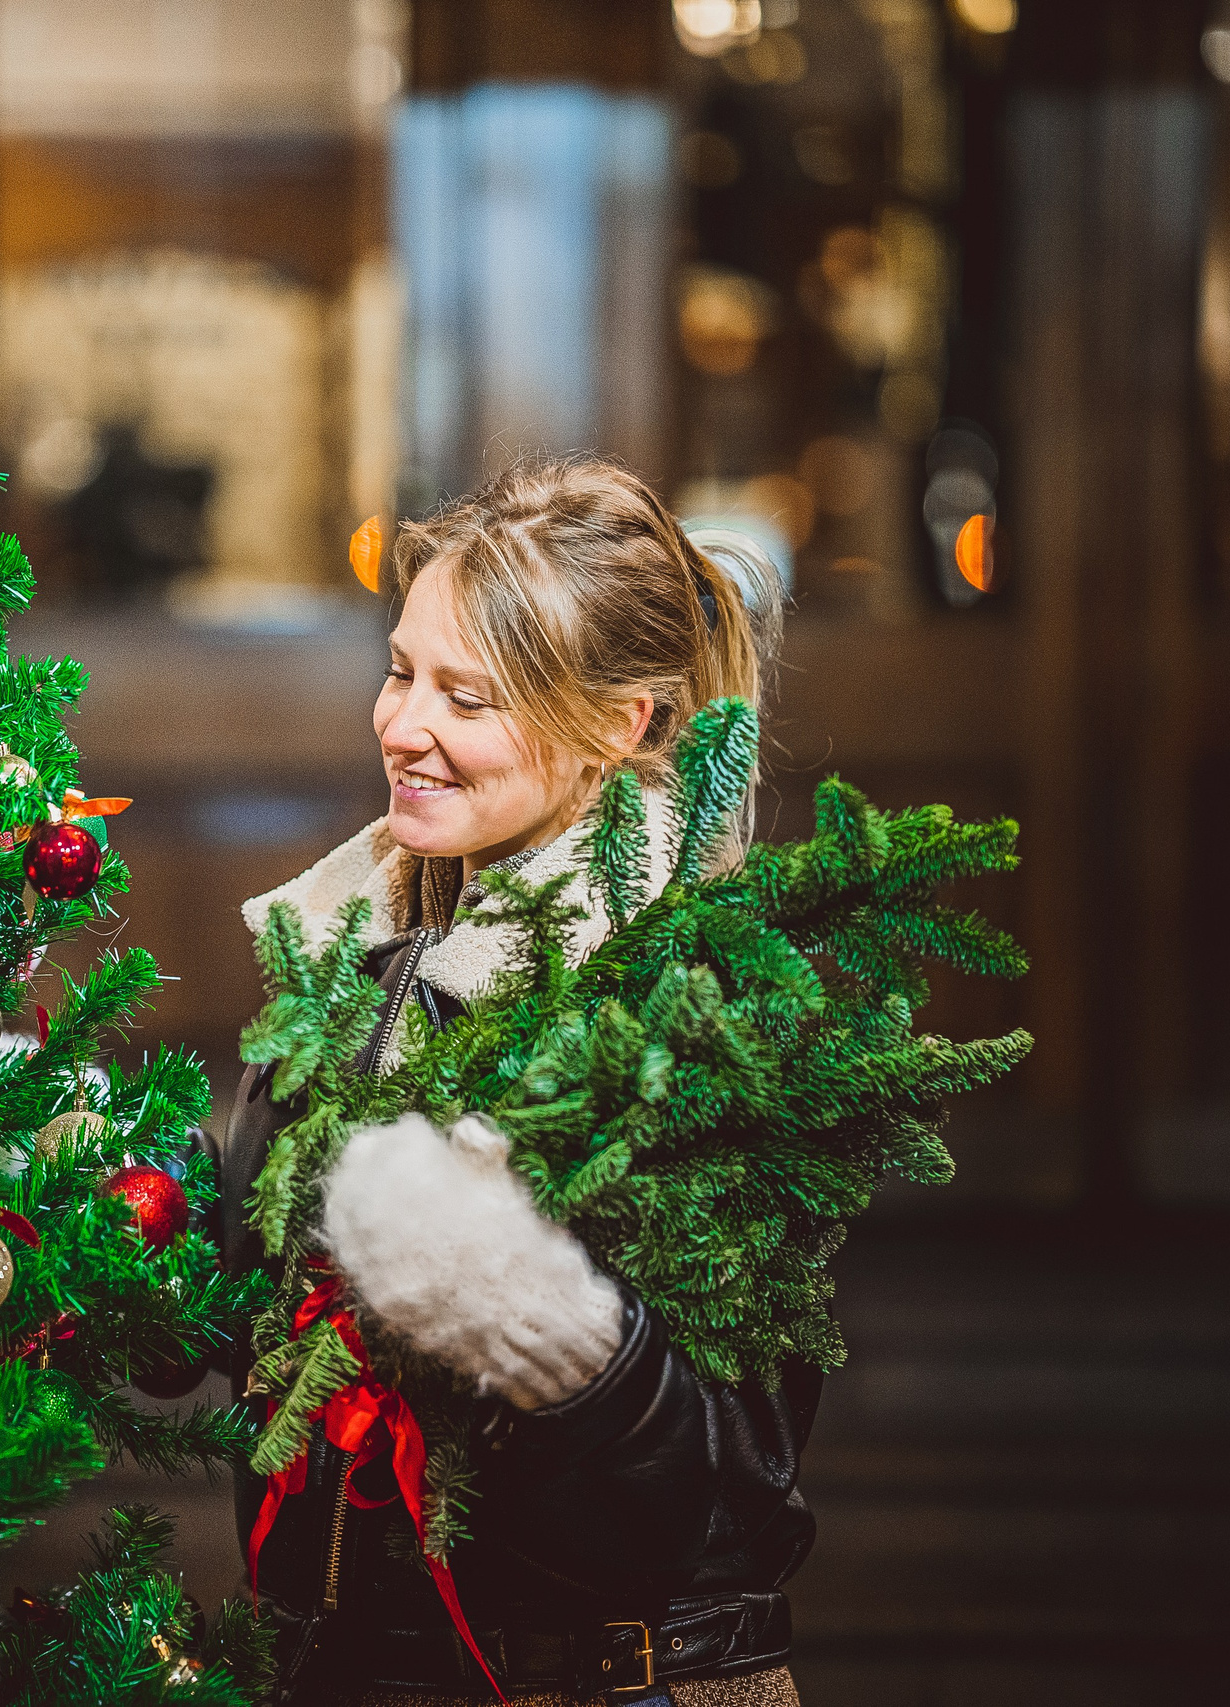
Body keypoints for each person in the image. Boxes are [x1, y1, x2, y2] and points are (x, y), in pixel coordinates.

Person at [207, 457, 809, 1707]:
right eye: (399, 671)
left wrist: (542, 1325)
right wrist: (107, 1186)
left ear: (619, 726)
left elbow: (714, 1483)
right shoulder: (349, 947)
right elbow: (258, 1316)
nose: (401, 727)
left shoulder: (689, 999)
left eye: (467, 698)